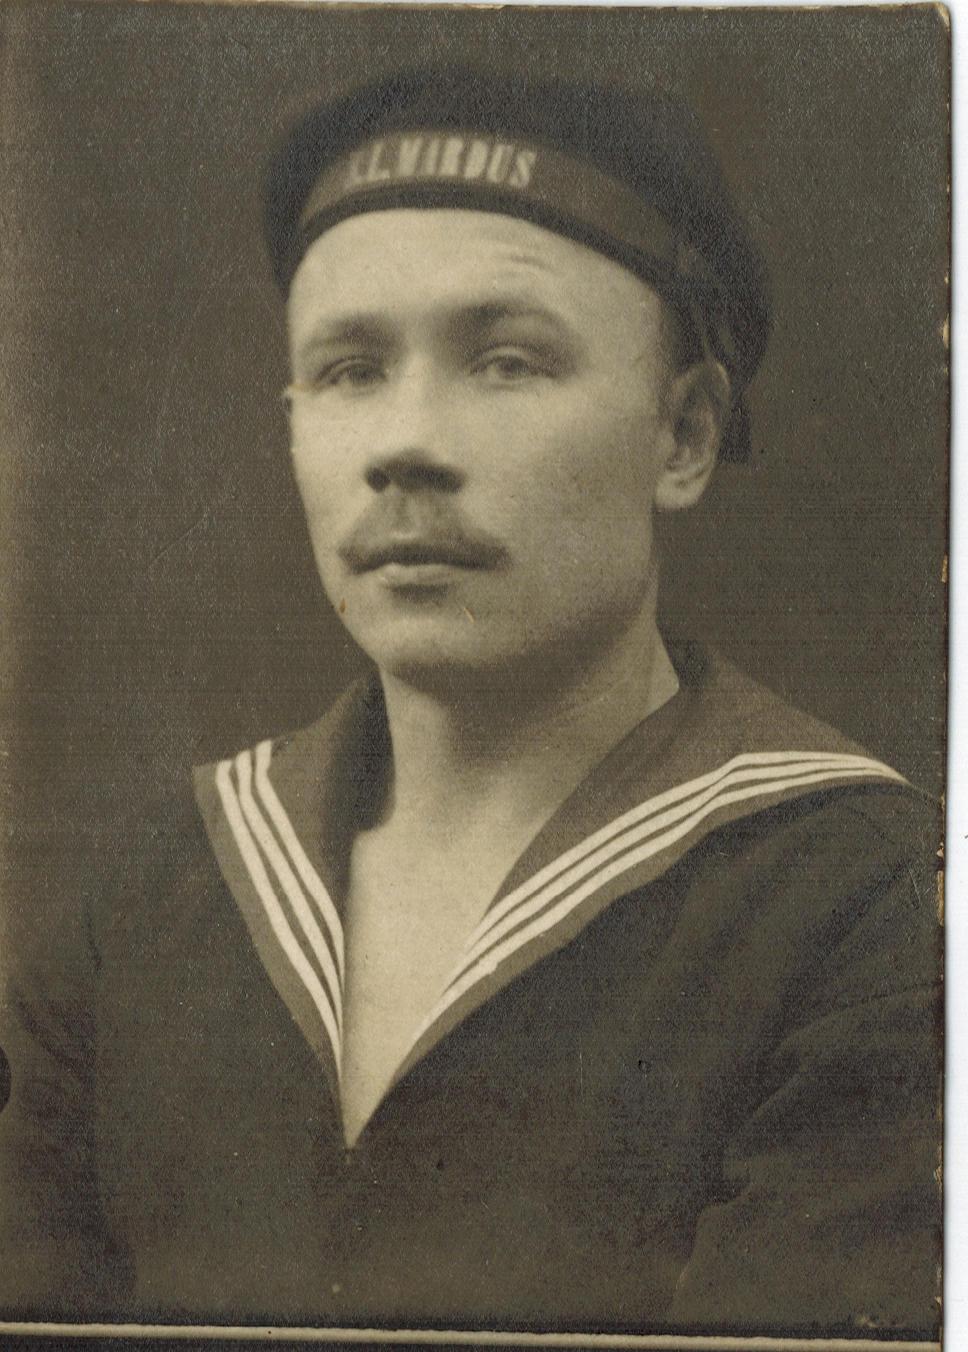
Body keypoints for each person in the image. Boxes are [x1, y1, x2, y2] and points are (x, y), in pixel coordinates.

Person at [0, 68, 940, 1339]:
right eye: (349, 370)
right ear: (292, 424)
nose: (406, 443)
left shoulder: (868, 907)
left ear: (681, 436)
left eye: (505, 361)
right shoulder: (145, 905)